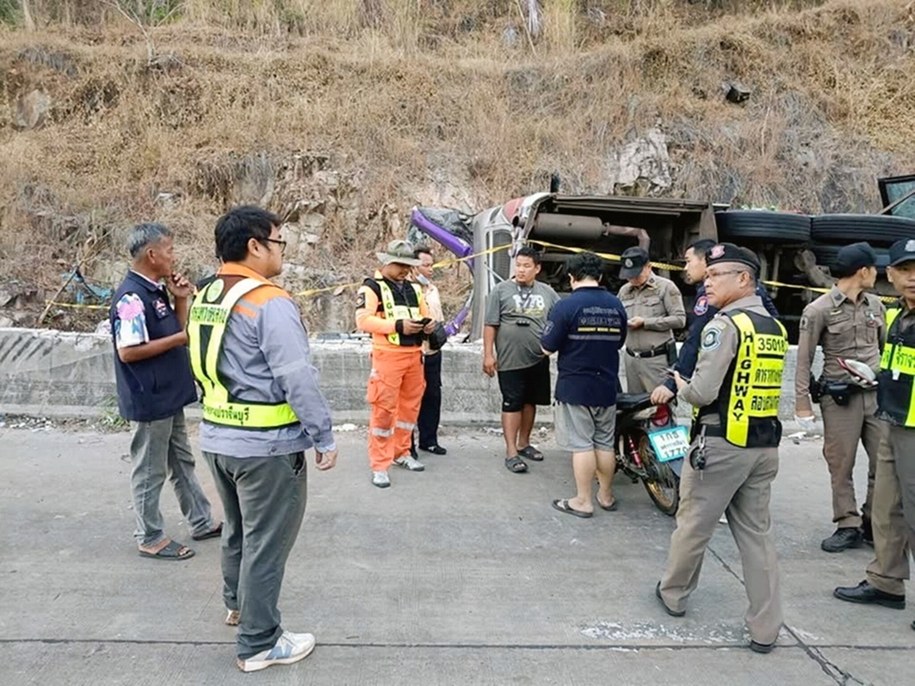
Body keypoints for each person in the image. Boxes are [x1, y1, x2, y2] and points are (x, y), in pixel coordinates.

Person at [187, 206, 338, 672]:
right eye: (279, 242)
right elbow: (297, 377)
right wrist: (323, 435)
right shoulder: (269, 300)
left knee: (237, 530)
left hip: (218, 439)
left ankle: (237, 605)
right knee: (267, 543)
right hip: (266, 447)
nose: (281, 252)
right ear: (255, 246)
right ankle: (259, 641)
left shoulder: (207, 293)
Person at [656, 243, 787, 654]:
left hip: (720, 444)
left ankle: (673, 594)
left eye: (716, 276)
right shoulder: (775, 327)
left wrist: (680, 385)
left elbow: (702, 392)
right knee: (757, 538)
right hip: (764, 445)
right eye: (707, 275)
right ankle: (766, 628)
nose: (707, 283)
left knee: (693, 524)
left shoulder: (724, 325)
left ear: (744, 280)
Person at [109, 222, 219, 562]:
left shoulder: (155, 291)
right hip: (149, 397)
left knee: (181, 461)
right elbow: (128, 350)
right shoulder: (131, 297)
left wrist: (181, 300)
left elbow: (175, 327)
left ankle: (200, 520)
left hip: (168, 394)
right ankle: (150, 535)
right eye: (169, 250)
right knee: (150, 468)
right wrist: (180, 339)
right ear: (152, 254)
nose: (174, 256)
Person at [833, 238, 915, 631]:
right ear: (890, 275)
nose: (912, 278)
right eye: (905, 270)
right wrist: (875, 377)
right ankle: (886, 581)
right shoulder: (899, 316)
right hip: (893, 421)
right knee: (885, 509)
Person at [794, 242, 886, 553]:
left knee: (884, 463)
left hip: (875, 398)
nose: (878, 273)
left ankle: (873, 521)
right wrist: (802, 403)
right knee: (841, 464)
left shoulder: (877, 306)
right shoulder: (819, 309)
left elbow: (885, 351)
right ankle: (848, 523)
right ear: (863, 271)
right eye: (874, 268)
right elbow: (803, 360)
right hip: (840, 400)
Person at [540, 252, 627, 517]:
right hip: (607, 386)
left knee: (582, 445)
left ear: (570, 276)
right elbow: (620, 341)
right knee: (604, 443)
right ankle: (606, 495)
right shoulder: (616, 305)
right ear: (600, 276)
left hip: (575, 386)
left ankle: (583, 501)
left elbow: (546, 347)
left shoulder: (566, 307)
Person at [650, 238, 778, 406]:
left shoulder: (720, 317)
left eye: (688, 261)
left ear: (743, 278)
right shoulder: (769, 319)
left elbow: (695, 339)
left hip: (721, 420)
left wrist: (675, 382)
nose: (686, 268)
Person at [356, 240, 437, 488]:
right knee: (383, 410)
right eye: (400, 265)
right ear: (387, 262)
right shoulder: (371, 288)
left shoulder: (414, 288)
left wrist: (429, 325)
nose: (405, 270)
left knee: (409, 408)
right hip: (387, 356)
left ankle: (402, 452)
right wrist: (396, 326)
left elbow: (426, 313)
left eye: (407, 265)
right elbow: (363, 320)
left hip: (414, 355)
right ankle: (380, 464)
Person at [483, 246, 560, 473]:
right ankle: (511, 452)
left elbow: (561, 317)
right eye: (518, 265)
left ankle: (524, 442)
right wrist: (488, 354)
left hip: (537, 358)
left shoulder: (547, 292)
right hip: (509, 359)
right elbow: (490, 324)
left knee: (530, 401)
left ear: (537, 268)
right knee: (512, 402)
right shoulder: (500, 291)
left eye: (527, 266)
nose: (521, 270)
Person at [617, 246, 686, 394]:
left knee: (660, 408)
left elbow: (680, 320)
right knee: (635, 410)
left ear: (648, 267)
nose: (632, 279)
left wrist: (645, 322)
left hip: (656, 360)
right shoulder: (624, 291)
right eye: (629, 276)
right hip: (631, 360)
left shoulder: (666, 287)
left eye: (636, 274)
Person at [412, 245, 448, 456]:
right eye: (426, 265)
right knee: (410, 400)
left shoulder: (433, 290)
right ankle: (407, 445)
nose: (430, 269)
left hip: (432, 352)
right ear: (414, 267)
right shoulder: (406, 289)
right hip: (413, 353)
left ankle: (429, 440)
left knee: (432, 397)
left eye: (431, 265)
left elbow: (439, 319)